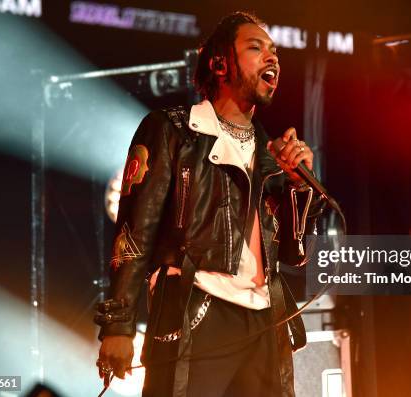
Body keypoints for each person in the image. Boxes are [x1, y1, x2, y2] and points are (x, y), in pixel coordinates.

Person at [94, 11, 325, 397]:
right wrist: (118, 325)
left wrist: (300, 187)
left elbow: (293, 252)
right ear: (220, 64)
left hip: (265, 320)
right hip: (195, 307)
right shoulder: (172, 131)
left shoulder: (272, 158)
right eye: (256, 48)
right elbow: (134, 232)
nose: (273, 58)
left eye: (275, 52)